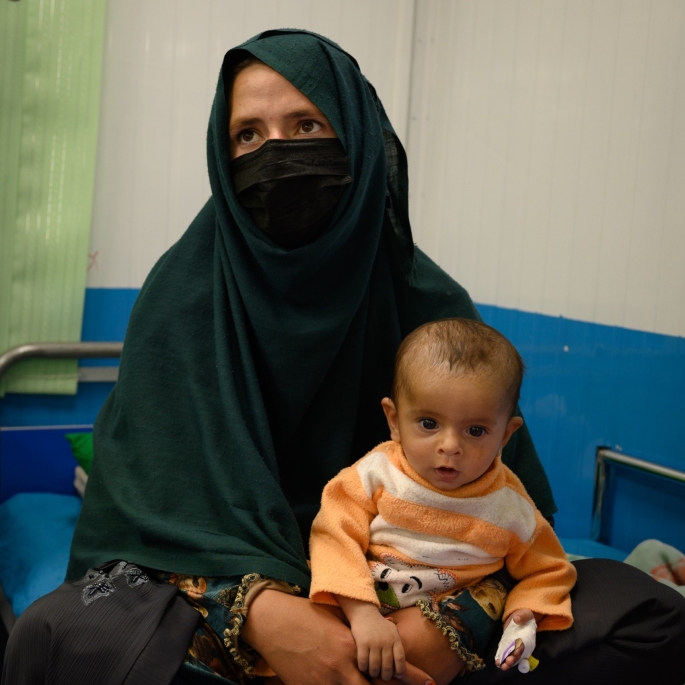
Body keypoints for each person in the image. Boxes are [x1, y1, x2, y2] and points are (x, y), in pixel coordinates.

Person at [3, 28, 685, 685]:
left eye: (306, 126)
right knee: (58, 636)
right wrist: (265, 616)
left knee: (649, 617)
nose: (276, 155)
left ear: (356, 139)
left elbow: (512, 512)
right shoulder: (181, 300)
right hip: (224, 590)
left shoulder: (425, 302)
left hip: (419, 583)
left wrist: (449, 624)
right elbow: (141, 517)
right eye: (248, 135)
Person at [307, 318, 576, 684]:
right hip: (356, 605)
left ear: (505, 435)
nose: (450, 446)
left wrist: (523, 614)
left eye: (476, 431)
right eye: (429, 424)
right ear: (394, 420)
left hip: (439, 631)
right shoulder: (377, 474)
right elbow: (332, 536)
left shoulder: (509, 507)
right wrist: (362, 614)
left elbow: (548, 570)